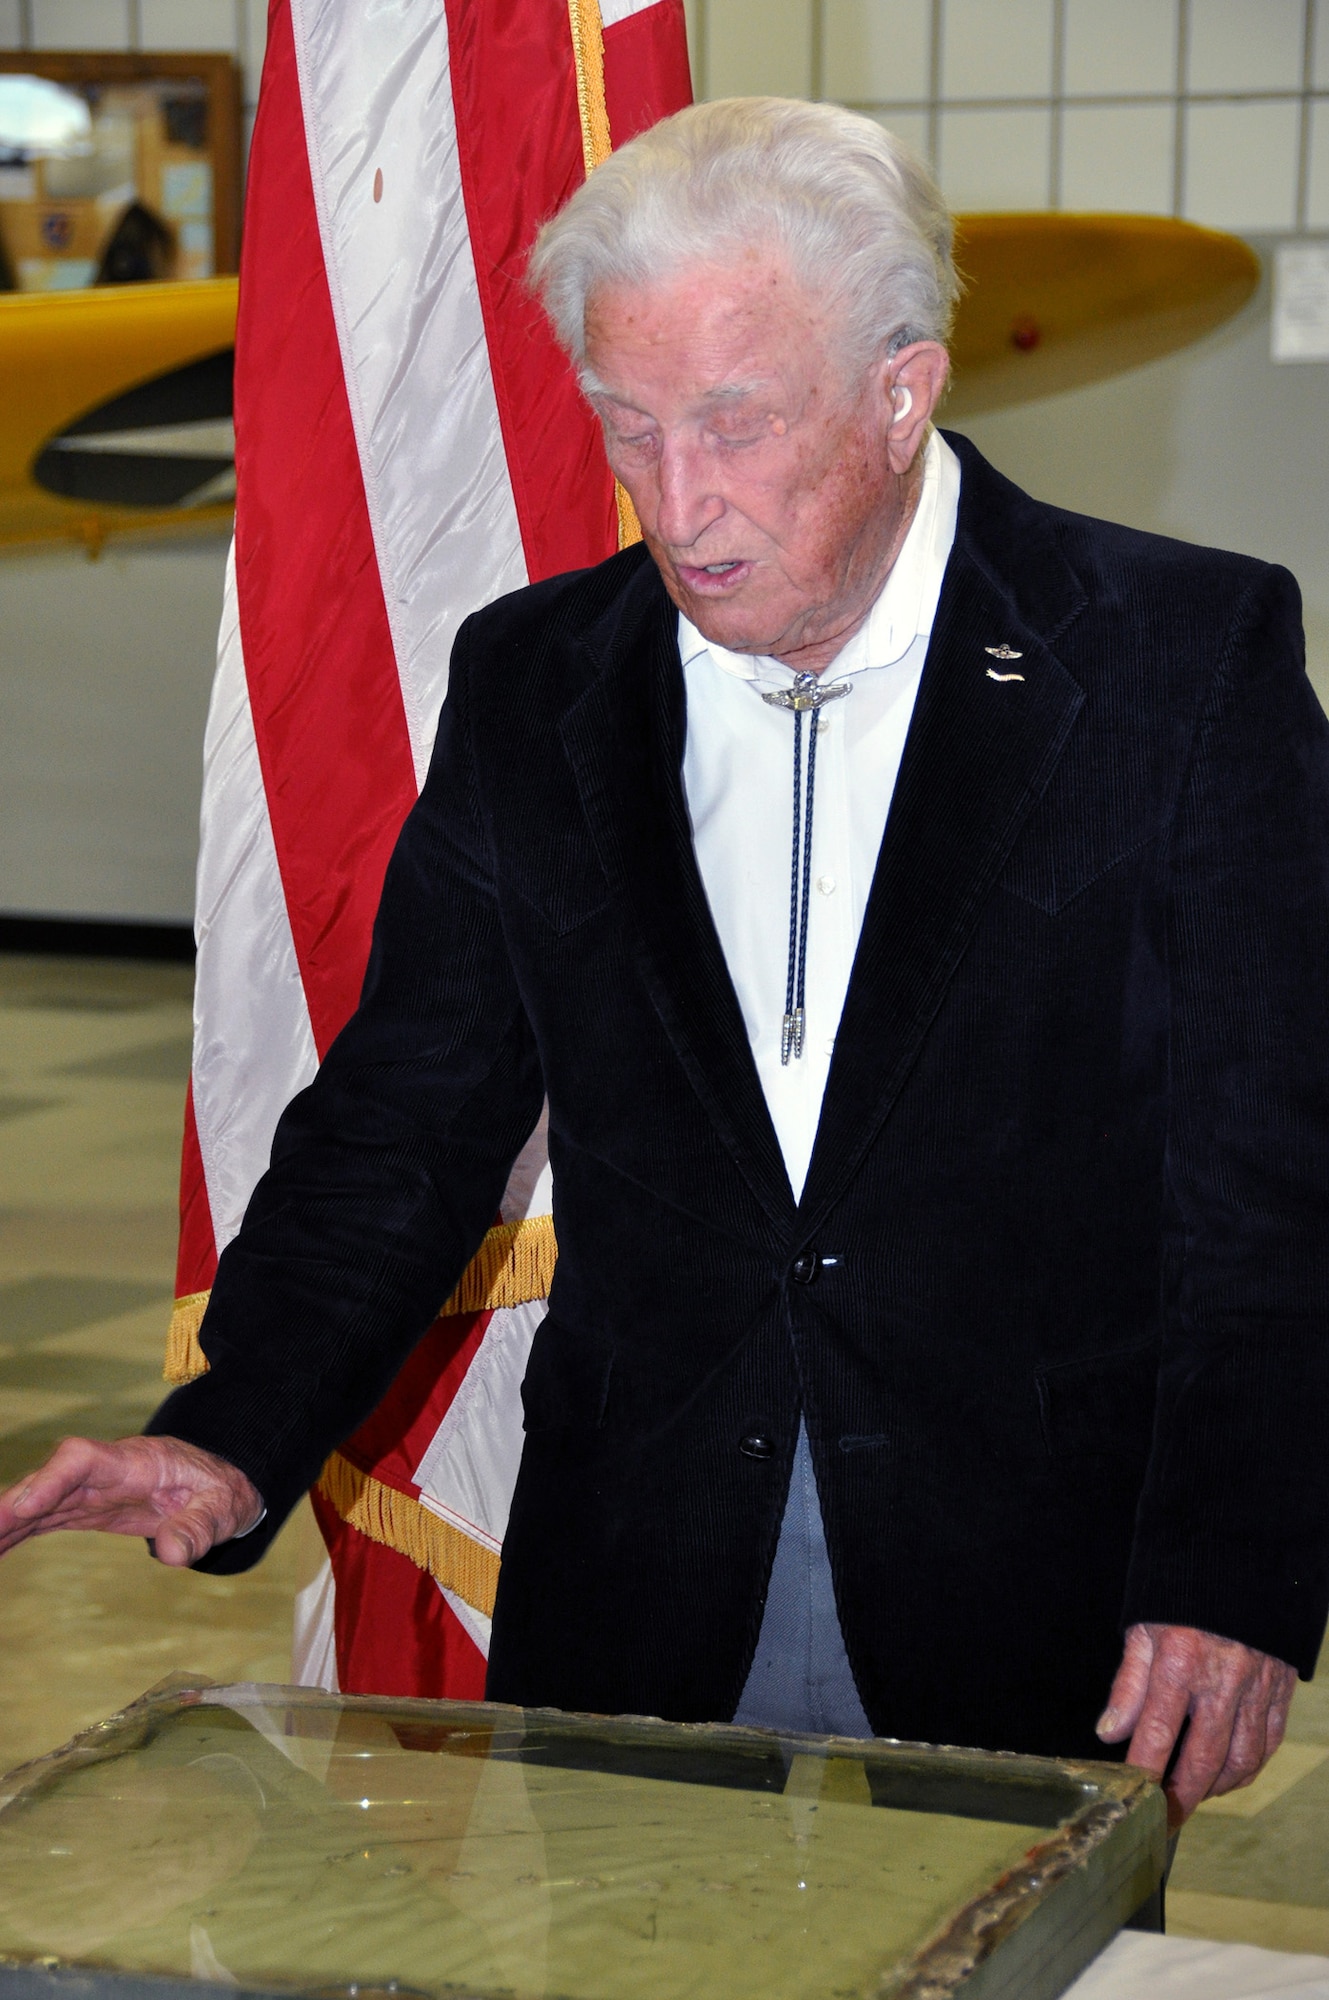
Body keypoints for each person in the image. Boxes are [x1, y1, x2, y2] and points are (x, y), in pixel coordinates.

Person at [2, 98, 1326, 1830]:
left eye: (732, 425)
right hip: (638, 1564)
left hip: (1029, 1572)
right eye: (629, 429)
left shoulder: (1174, 660)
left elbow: (1272, 1177)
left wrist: (1231, 1564)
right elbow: (406, 1120)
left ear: (901, 387)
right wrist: (230, 1422)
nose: (678, 505)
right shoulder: (540, 682)